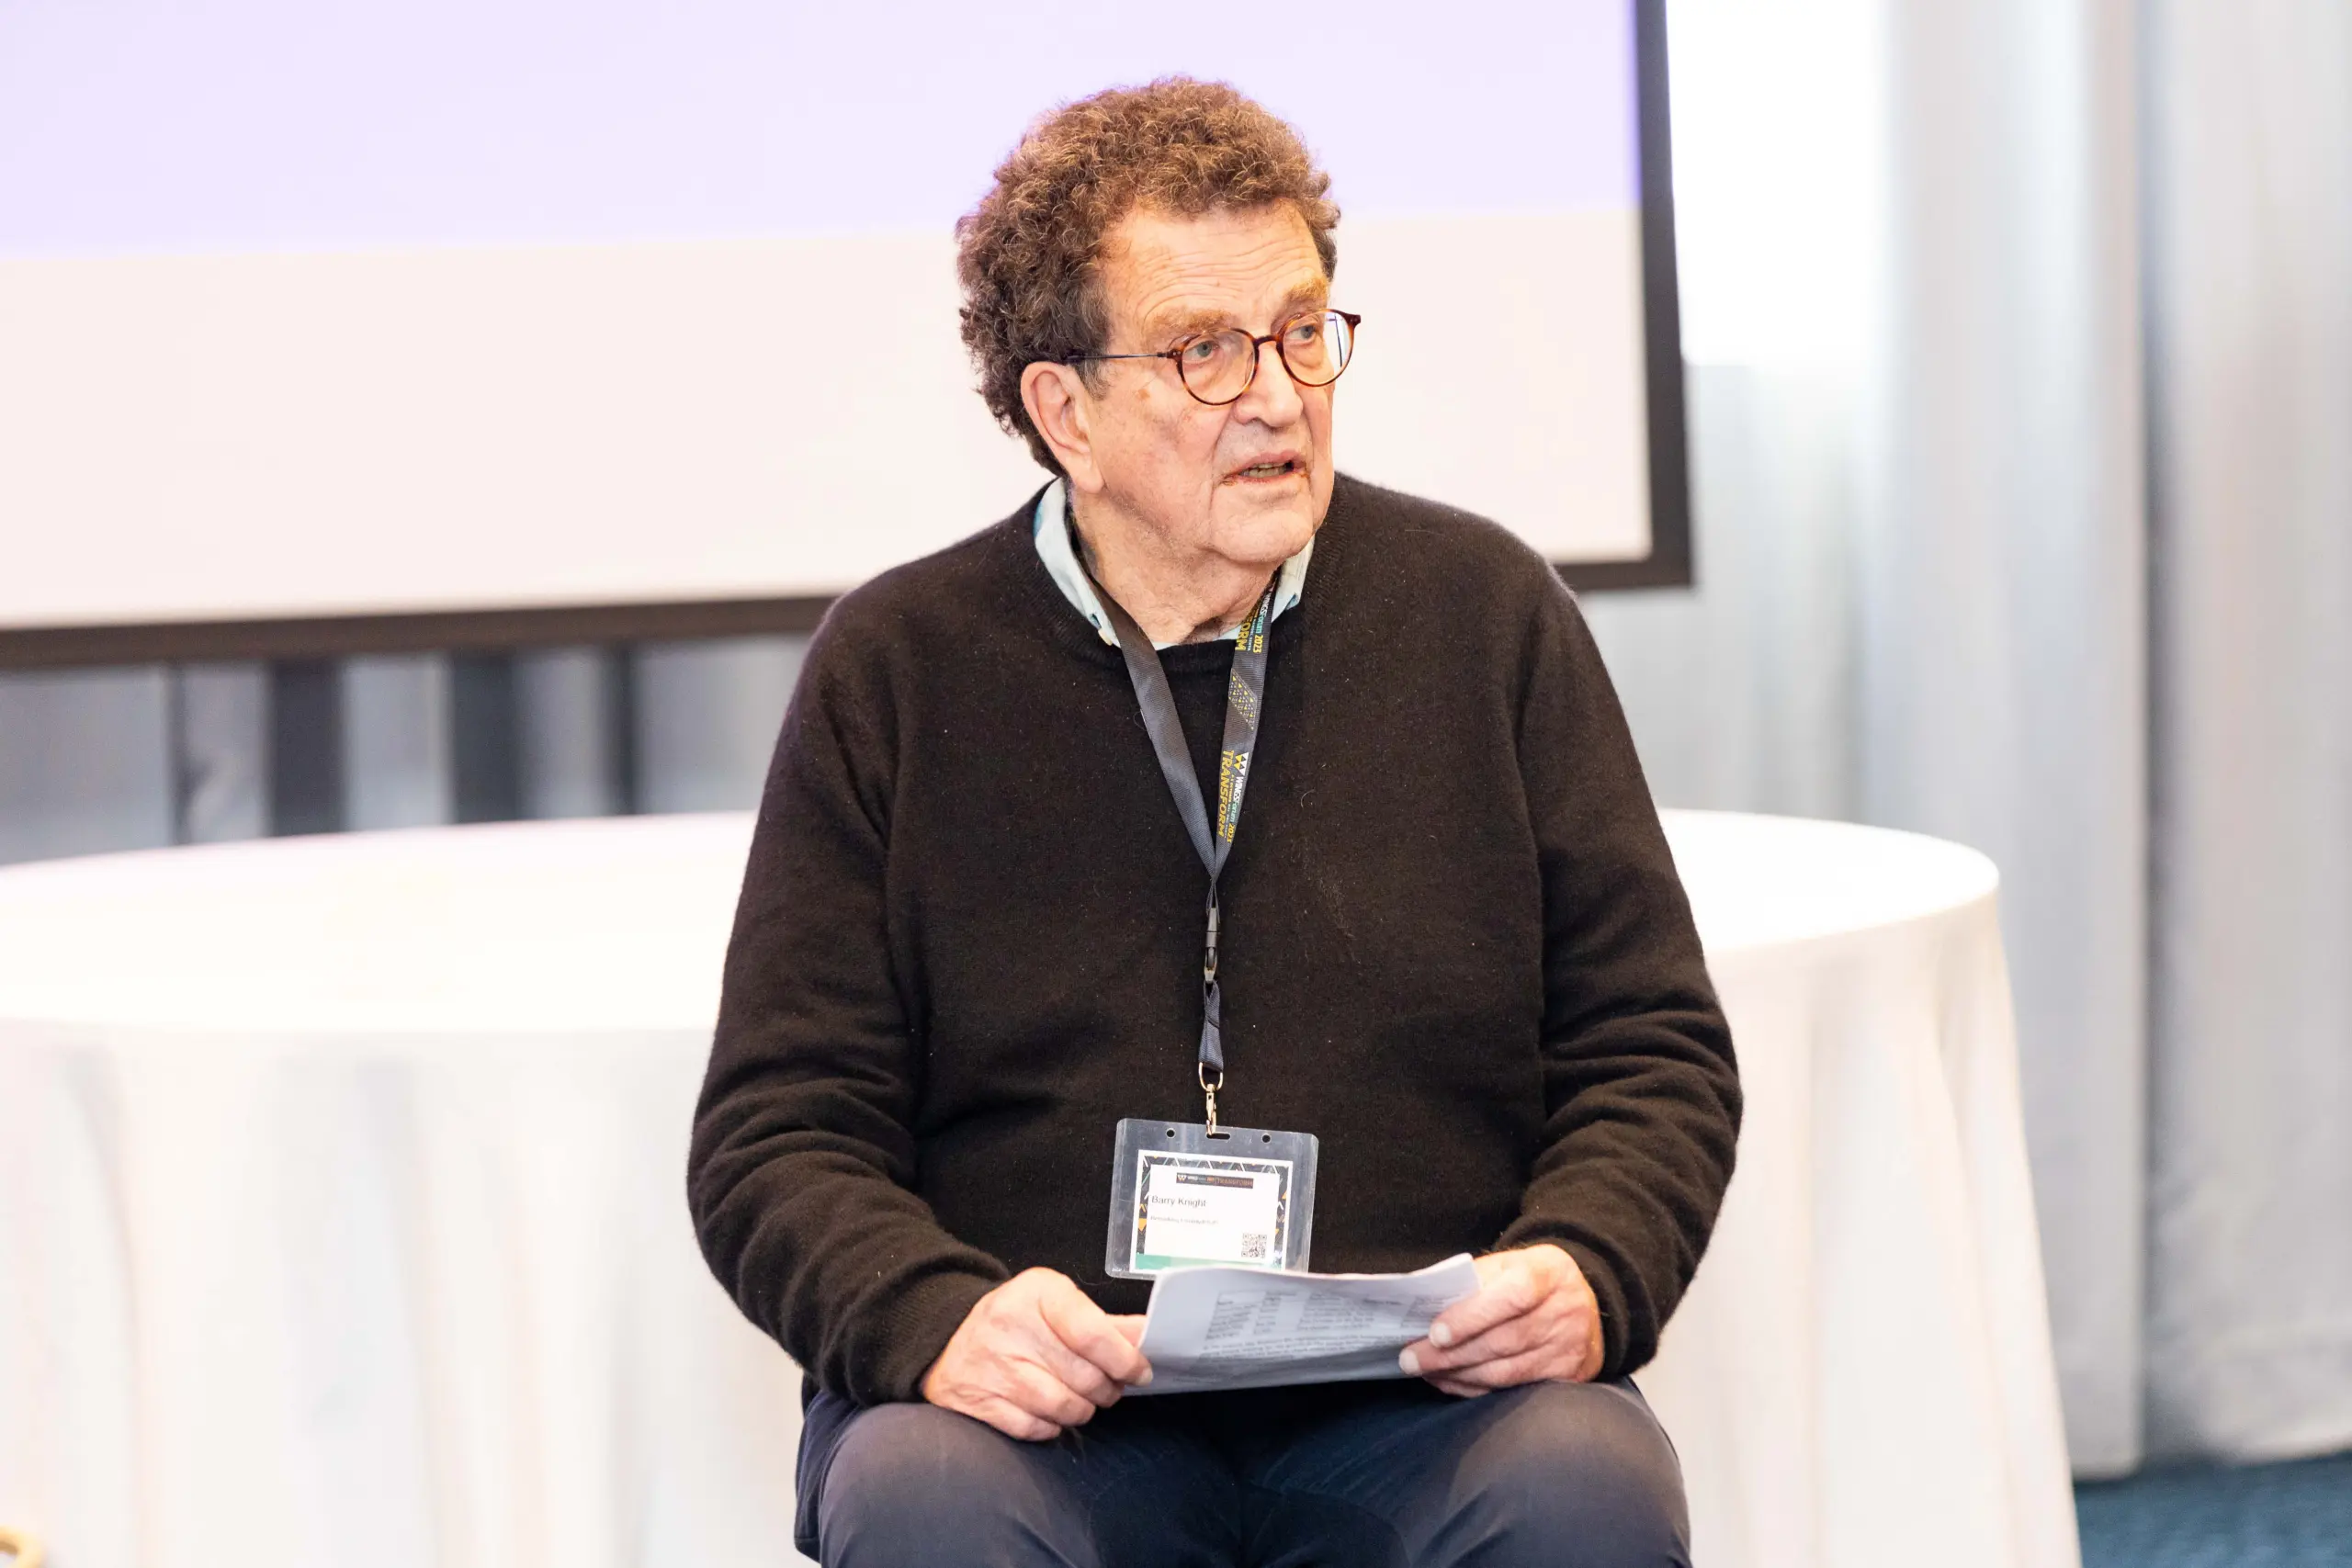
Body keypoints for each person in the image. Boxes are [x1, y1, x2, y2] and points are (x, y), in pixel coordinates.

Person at [689, 77, 1740, 1568]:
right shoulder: (898, 669)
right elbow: (776, 1131)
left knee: (1583, 1485)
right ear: (1066, 412)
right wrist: (936, 1318)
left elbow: (1652, 1046)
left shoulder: (1485, 616)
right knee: (923, 1498)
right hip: (1049, 1411)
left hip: (1424, 1400)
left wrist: (1589, 1262)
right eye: (1206, 351)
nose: (1279, 395)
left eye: (1303, 330)